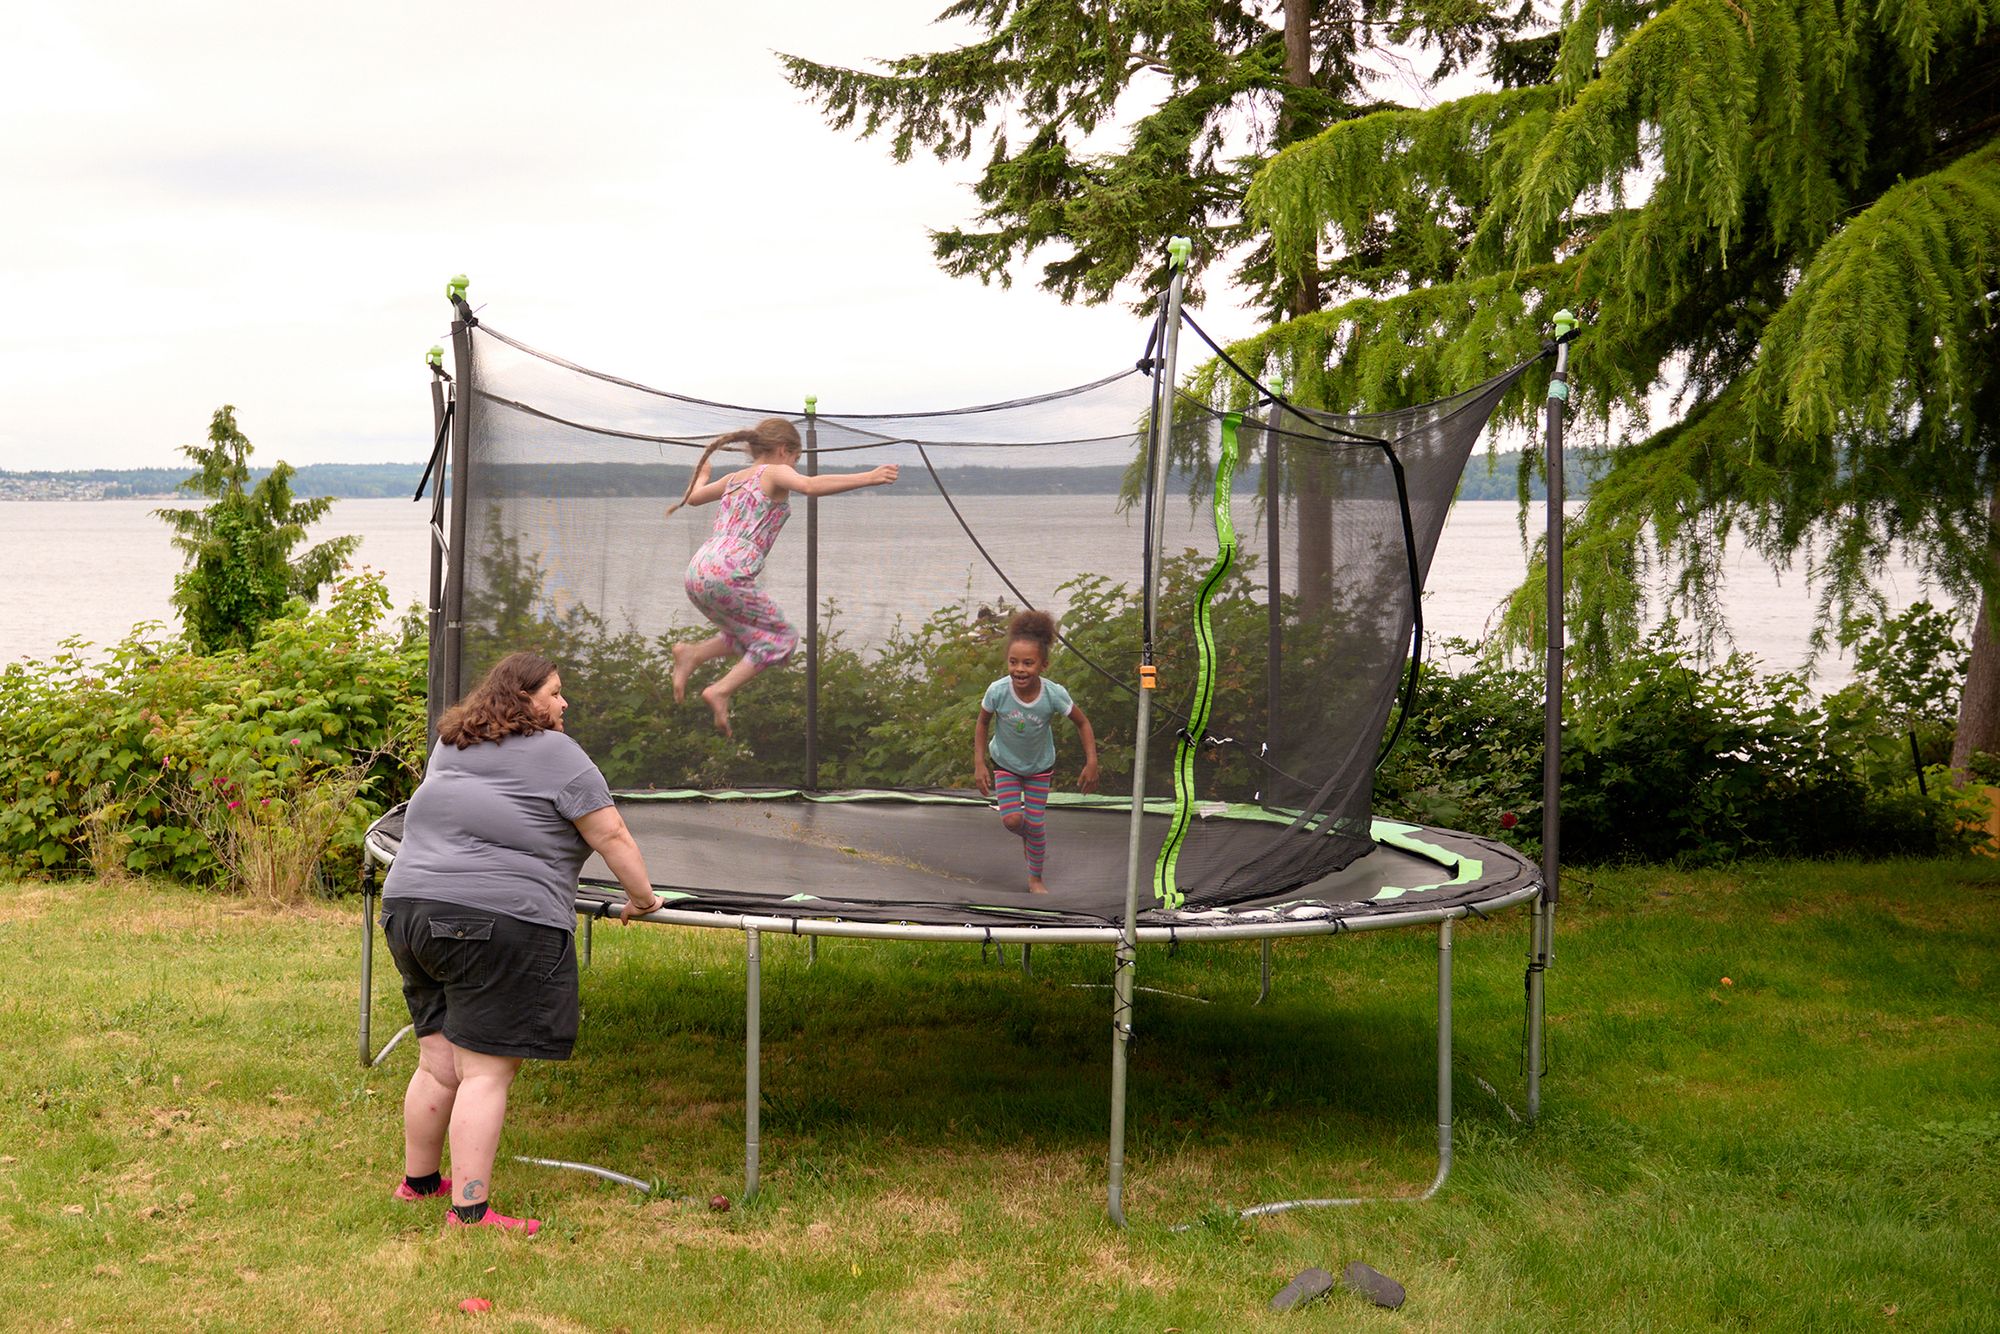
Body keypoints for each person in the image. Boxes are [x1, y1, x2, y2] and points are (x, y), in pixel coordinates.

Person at [379, 651, 664, 1235]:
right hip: (492, 921)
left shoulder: (451, 744)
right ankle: (471, 1214)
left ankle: (419, 1185)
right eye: (555, 693)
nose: (565, 704)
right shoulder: (558, 752)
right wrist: (643, 898)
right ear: (523, 699)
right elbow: (609, 831)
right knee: (485, 1072)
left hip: (408, 910)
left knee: (437, 1064)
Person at [668, 418, 897, 736]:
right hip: (728, 570)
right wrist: (868, 477)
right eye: (795, 459)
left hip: (699, 569)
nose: (794, 467)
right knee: (782, 638)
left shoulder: (734, 478)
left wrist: (703, 476)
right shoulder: (774, 471)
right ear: (782, 450)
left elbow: (693, 498)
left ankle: (692, 654)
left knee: (749, 635)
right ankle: (720, 690)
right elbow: (811, 486)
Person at [972, 610, 1100, 893]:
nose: (1019, 669)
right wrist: (979, 763)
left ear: (1043, 664)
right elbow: (982, 723)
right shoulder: (998, 691)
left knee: (1035, 822)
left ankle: (1035, 878)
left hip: (1040, 768)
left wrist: (1092, 762)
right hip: (1005, 763)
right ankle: (1032, 838)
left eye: (1028, 663)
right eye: (1013, 662)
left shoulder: (1053, 694)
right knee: (1013, 820)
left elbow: (1082, 722)